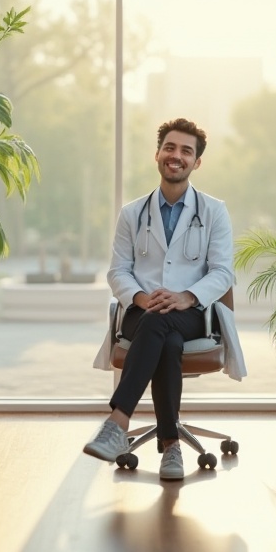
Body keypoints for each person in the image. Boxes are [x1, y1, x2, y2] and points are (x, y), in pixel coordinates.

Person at [83, 117, 234, 480]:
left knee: (164, 324)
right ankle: (171, 446)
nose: (176, 156)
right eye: (170, 147)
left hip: (194, 312)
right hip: (141, 310)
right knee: (164, 337)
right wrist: (139, 296)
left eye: (186, 151)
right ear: (157, 154)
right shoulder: (132, 213)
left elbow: (223, 273)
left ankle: (118, 421)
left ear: (197, 162)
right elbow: (117, 270)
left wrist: (186, 296)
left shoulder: (214, 211)